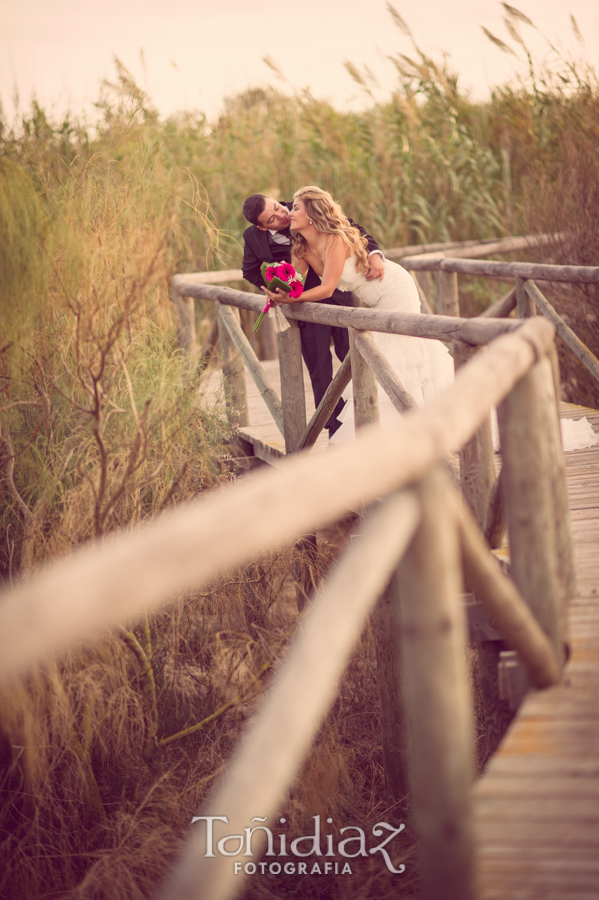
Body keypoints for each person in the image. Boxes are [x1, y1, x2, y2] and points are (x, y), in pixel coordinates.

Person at [261, 185, 454, 441]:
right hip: (374, 300)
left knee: (399, 357)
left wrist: (290, 298)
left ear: (312, 214)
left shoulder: (336, 239)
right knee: (388, 359)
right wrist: (278, 291)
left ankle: (417, 430)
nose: (289, 213)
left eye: (295, 208)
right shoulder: (302, 248)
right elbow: (295, 282)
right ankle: (398, 431)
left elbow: (327, 287)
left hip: (394, 288)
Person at [242, 194, 385, 436]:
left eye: (278, 207)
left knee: (352, 355)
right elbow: (249, 271)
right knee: (319, 368)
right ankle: (334, 427)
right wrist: (274, 289)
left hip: (338, 296)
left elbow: (351, 227)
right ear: (261, 226)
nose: (282, 215)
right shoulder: (252, 238)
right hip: (304, 306)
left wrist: (374, 253)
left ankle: (366, 416)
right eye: (273, 219)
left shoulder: (304, 207)